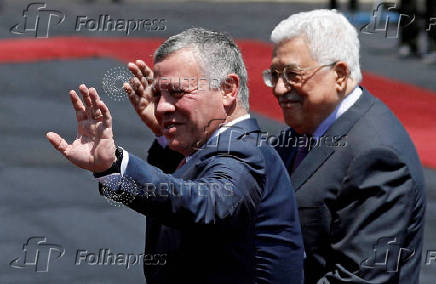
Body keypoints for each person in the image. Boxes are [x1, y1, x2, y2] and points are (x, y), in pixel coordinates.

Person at [46, 28, 304, 284]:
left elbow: (203, 204)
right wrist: (115, 167)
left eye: (178, 92)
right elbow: (179, 185)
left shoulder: (243, 151)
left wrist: (114, 164)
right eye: (158, 94)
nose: (161, 107)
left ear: (228, 89)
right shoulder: (213, 148)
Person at [262, 9, 426, 283]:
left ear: (339, 74)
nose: (279, 88)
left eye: (292, 74)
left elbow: (358, 278)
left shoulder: (377, 156)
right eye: (275, 74)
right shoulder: (306, 128)